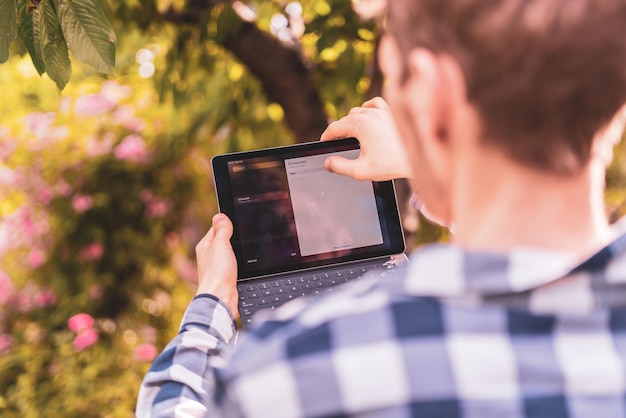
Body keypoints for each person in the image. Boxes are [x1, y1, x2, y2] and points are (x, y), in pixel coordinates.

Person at [137, 0, 626, 416]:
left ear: (436, 93)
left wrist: (214, 302)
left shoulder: (292, 367)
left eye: (395, 78)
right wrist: (436, 162)